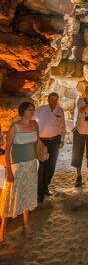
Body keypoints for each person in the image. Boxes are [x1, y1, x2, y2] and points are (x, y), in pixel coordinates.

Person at [0, 102, 38, 243]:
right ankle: (2, 229)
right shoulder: (14, 127)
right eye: (29, 109)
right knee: (12, 196)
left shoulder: (34, 124)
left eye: (33, 110)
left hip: (31, 165)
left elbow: (36, 142)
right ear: (23, 111)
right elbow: (7, 149)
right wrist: (9, 170)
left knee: (27, 194)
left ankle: (26, 225)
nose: (32, 112)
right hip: (18, 167)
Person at [34, 93, 66, 203]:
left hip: (55, 141)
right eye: (52, 99)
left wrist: (62, 139)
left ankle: (46, 186)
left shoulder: (60, 110)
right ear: (48, 99)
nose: (54, 101)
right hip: (43, 141)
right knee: (42, 166)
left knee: (51, 166)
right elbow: (32, 119)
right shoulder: (41, 109)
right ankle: (40, 191)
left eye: (56, 99)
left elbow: (62, 126)